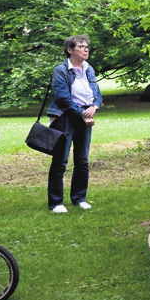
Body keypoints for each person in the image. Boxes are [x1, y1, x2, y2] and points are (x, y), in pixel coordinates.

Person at [47, 35, 102, 213]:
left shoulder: (88, 69)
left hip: (85, 117)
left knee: (82, 160)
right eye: (81, 46)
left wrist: (94, 107)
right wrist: (81, 113)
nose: (86, 49)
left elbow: (97, 92)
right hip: (64, 118)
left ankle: (79, 198)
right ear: (70, 50)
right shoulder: (61, 70)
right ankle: (56, 202)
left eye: (87, 47)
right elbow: (62, 98)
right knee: (60, 161)